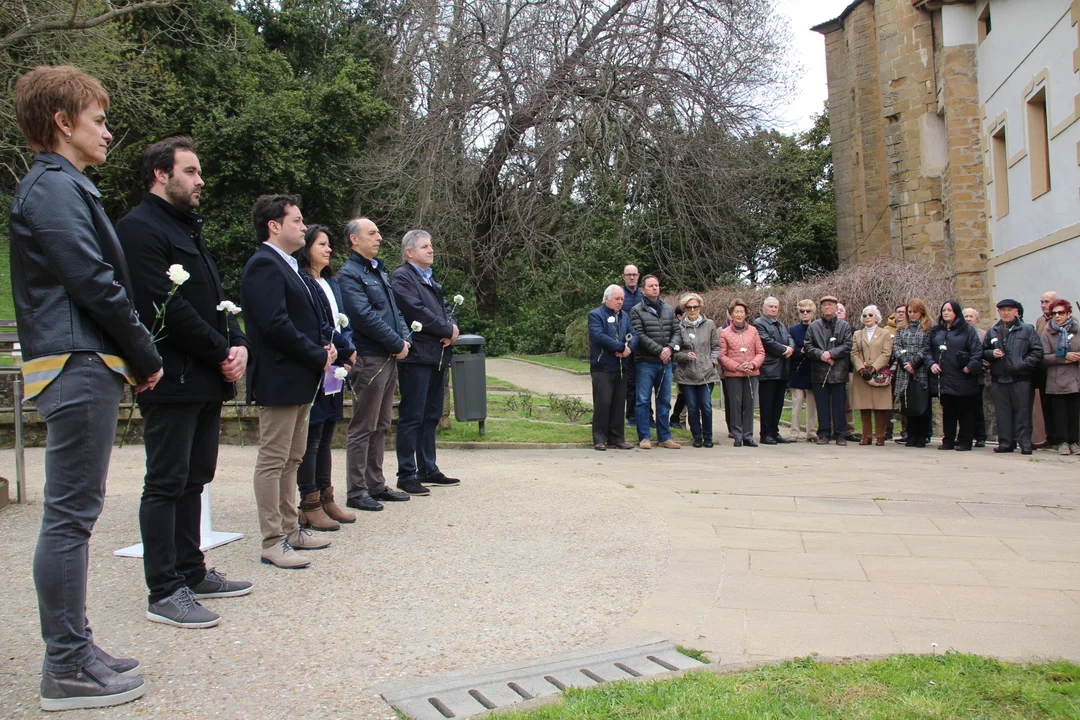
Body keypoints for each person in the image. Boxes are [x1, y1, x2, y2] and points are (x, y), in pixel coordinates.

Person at [12, 65, 162, 710]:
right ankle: (66, 666)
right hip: (76, 361)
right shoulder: (52, 187)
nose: (107, 132)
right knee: (71, 517)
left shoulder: (63, 185)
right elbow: (94, 282)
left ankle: (78, 648)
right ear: (62, 122)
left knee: (76, 513)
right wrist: (144, 352)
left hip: (81, 359)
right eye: (98, 120)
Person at [117, 137, 252, 630]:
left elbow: (218, 302)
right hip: (170, 377)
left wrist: (239, 343)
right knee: (166, 482)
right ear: (161, 174)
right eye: (191, 171)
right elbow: (165, 306)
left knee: (195, 478)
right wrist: (221, 352)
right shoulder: (138, 229)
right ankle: (164, 589)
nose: (200, 181)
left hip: (205, 378)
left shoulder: (188, 230)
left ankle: (191, 571)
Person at [241, 194, 335, 568]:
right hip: (279, 377)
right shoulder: (264, 264)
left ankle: (290, 528)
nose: (303, 226)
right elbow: (275, 324)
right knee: (273, 459)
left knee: (293, 457)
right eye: (296, 220)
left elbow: (304, 318)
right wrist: (315, 353)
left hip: (299, 376)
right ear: (274, 226)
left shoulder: (289, 265)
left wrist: (324, 347)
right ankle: (272, 539)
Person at [338, 218, 415, 506]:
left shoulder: (378, 271)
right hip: (369, 357)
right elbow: (363, 316)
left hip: (388, 357)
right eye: (372, 233)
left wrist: (404, 339)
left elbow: (395, 311)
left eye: (379, 233)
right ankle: (357, 490)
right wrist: (396, 343)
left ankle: (376, 484)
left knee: (381, 423)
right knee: (364, 425)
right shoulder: (349, 275)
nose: (379, 237)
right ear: (354, 239)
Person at [293, 225, 357, 531]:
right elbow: (318, 324)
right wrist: (343, 348)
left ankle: (326, 495)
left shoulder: (330, 281)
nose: (329, 249)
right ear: (306, 247)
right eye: (321, 244)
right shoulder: (302, 280)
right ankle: (309, 501)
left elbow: (342, 320)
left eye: (329, 244)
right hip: (319, 361)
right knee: (313, 435)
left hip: (336, 364)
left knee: (329, 430)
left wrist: (347, 349)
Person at [390, 229, 463, 488]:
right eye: (424, 246)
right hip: (417, 356)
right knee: (413, 415)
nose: (431, 250)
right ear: (409, 252)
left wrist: (453, 329)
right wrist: (445, 329)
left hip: (437, 354)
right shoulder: (402, 278)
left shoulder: (430, 279)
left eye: (431, 245)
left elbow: (445, 309)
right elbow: (415, 311)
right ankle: (406, 474)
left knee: (431, 414)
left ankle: (428, 468)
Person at [984, 299, 1043, 454]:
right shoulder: (992, 331)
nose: (1006, 313)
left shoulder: (1027, 329)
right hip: (999, 378)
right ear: (998, 312)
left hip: (1021, 378)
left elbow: (1037, 351)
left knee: (1023, 412)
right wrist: (991, 353)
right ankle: (1006, 443)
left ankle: (1025, 443)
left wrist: (1022, 364)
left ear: (1016, 312)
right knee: (1002, 413)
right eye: (1003, 310)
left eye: (1009, 310)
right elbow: (983, 351)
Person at [629, 275, 681, 449]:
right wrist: (660, 350)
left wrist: (670, 349)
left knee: (664, 400)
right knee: (643, 400)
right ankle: (644, 437)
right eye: (651, 286)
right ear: (642, 290)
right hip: (646, 362)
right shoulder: (636, 310)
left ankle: (664, 437)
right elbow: (639, 335)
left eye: (657, 285)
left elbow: (677, 331)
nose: (655, 288)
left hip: (666, 363)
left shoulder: (668, 309)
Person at [924, 301, 982, 451]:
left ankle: (965, 440)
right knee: (948, 411)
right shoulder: (937, 330)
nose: (946, 313)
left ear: (956, 312)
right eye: (944, 310)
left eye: (949, 310)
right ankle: (948, 440)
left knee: (964, 411)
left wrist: (969, 367)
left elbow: (977, 352)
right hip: (944, 378)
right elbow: (927, 350)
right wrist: (931, 363)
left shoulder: (967, 330)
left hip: (963, 377)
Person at [587, 285, 637, 449]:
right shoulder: (596, 315)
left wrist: (629, 349)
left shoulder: (624, 316)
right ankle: (599, 439)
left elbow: (634, 334)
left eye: (622, 299)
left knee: (618, 403)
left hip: (621, 366)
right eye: (617, 299)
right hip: (602, 366)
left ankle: (617, 438)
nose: (620, 302)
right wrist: (620, 347)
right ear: (607, 298)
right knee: (603, 402)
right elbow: (599, 336)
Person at [804, 295, 854, 445]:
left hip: (839, 371)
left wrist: (831, 354)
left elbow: (848, 345)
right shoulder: (814, 326)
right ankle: (824, 434)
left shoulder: (844, 326)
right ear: (821, 308)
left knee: (839, 406)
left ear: (836, 307)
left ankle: (840, 435)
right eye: (825, 305)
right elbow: (808, 346)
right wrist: (822, 355)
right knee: (822, 406)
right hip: (819, 371)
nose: (827, 307)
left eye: (830, 305)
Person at [673, 293, 720, 447]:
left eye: (695, 307)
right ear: (684, 309)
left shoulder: (710, 324)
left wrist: (712, 362)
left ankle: (708, 437)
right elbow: (674, 352)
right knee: (692, 407)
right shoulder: (679, 327)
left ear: (700, 307)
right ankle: (697, 437)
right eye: (689, 307)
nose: (692, 310)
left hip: (707, 373)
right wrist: (685, 356)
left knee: (706, 406)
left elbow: (716, 347)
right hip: (686, 374)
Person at [718, 298, 765, 447]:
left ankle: (748, 435)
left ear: (746, 314)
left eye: (741, 312)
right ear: (731, 314)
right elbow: (721, 355)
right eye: (736, 312)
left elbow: (760, 351)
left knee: (749, 405)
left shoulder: (753, 331)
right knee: (735, 404)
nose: (739, 315)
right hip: (733, 375)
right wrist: (737, 366)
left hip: (751, 373)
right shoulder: (724, 333)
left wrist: (752, 364)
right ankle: (737, 435)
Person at [1040, 299, 1080, 455]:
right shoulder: (1047, 332)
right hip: (1056, 379)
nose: (1057, 316)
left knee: (1075, 413)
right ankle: (1062, 442)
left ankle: (1074, 442)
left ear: (1068, 314)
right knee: (1060, 413)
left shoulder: (1077, 330)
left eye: (1061, 312)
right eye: (1054, 313)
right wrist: (1063, 357)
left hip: (1075, 378)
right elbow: (1044, 357)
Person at [850, 305, 894, 445]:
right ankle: (867, 436)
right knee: (864, 406)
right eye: (864, 315)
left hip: (879, 374)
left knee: (880, 407)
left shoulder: (885, 333)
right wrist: (861, 368)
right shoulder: (857, 334)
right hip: (862, 374)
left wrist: (874, 368)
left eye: (870, 315)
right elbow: (854, 353)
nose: (867, 318)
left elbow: (886, 353)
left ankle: (880, 436)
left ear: (876, 318)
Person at [753, 296, 794, 445]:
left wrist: (791, 347)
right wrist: (784, 350)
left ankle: (774, 432)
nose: (773, 309)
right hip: (768, 370)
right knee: (767, 404)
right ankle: (765, 434)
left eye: (776, 307)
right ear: (764, 307)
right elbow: (766, 341)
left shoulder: (780, 324)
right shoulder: (759, 323)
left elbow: (789, 337)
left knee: (778, 404)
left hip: (782, 369)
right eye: (771, 306)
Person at [893, 299, 931, 447]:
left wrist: (914, 363)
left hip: (921, 369)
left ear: (921, 312)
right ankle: (911, 434)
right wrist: (904, 362)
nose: (912, 314)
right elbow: (896, 346)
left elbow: (927, 347)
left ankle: (922, 435)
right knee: (908, 403)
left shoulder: (928, 327)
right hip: (905, 371)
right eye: (909, 312)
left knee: (921, 403)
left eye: (915, 312)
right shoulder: (901, 328)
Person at [788, 300, 817, 442]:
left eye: (808, 311)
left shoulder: (818, 328)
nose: (805, 313)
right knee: (797, 401)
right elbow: (790, 349)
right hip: (798, 369)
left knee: (812, 404)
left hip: (813, 369)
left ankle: (811, 432)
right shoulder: (793, 330)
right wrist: (801, 351)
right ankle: (794, 432)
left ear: (813, 313)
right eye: (802, 311)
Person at [621, 264, 646, 427]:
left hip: (644, 345)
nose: (631, 277)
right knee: (630, 382)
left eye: (634, 274)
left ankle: (647, 415)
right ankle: (631, 416)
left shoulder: (644, 294)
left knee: (645, 382)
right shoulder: (619, 295)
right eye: (628, 274)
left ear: (638, 276)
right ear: (623, 277)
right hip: (626, 345)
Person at [1034, 291, 1060, 448]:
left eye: (1047, 302)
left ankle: (1065, 438)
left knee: (1060, 405)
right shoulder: (1040, 320)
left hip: (1060, 368)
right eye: (1042, 302)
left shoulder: (1067, 320)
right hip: (1043, 369)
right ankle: (1050, 437)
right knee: (1046, 404)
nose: (1043, 305)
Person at [963, 307, 989, 447]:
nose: (968, 319)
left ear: (977, 319)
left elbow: (986, 356)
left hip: (977, 376)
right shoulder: (958, 334)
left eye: (971, 316)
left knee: (977, 407)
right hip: (961, 377)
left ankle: (980, 436)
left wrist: (977, 368)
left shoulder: (983, 335)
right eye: (965, 316)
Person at [835, 302, 860, 442]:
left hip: (848, 371)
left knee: (848, 403)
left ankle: (849, 430)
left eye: (841, 310)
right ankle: (833, 429)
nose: (838, 311)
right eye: (836, 309)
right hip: (832, 370)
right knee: (832, 403)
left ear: (845, 314)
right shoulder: (826, 328)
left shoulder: (852, 330)